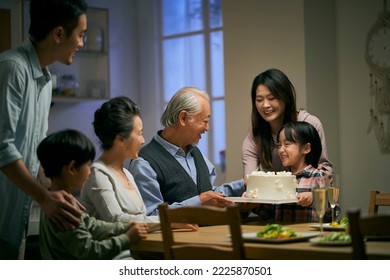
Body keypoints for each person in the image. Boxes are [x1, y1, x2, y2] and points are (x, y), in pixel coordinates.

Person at [0, 0, 88, 259]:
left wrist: (55, 193)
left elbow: (35, 148)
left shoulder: (45, 80)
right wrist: (45, 197)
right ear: (59, 34)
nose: (82, 44)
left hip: (15, 221)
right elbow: (2, 146)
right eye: (81, 35)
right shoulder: (11, 68)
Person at [80, 96, 198, 231]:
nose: (143, 140)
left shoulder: (127, 174)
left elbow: (142, 217)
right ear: (121, 139)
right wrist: (168, 221)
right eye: (139, 133)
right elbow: (116, 220)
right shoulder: (98, 174)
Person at [129, 86, 248, 216]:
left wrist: (244, 185)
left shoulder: (195, 153)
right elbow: (151, 216)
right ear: (183, 118)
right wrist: (199, 202)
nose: (207, 128)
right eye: (204, 121)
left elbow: (210, 194)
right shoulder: (144, 162)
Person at [37, 129, 148, 259]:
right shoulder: (64, 208)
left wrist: (126, 227)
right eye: (88, 165)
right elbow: (89, 251)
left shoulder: (55, 201)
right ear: (72, 168)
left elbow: (92, 225)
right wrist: (127, 239)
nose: (90, 171)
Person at [241, 68, 334, 177]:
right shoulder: (254, 137)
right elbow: (250, 180)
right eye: (259, 100)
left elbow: (325, 168)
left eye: (272, 98)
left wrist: (321, 177)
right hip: (277, 192)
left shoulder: (309, 123)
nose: (265, 105)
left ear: (286, 97)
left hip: (309, 190)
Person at [254, 121, 336, 222]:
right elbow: (268, 213)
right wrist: (253, 204)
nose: (280, 150)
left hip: (311, 236)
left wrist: (314, 198)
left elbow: (332, 213)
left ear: (306, 148)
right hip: (283, 236)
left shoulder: (320, 176)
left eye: (287, 144)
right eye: (279, 145)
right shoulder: (279, 179)